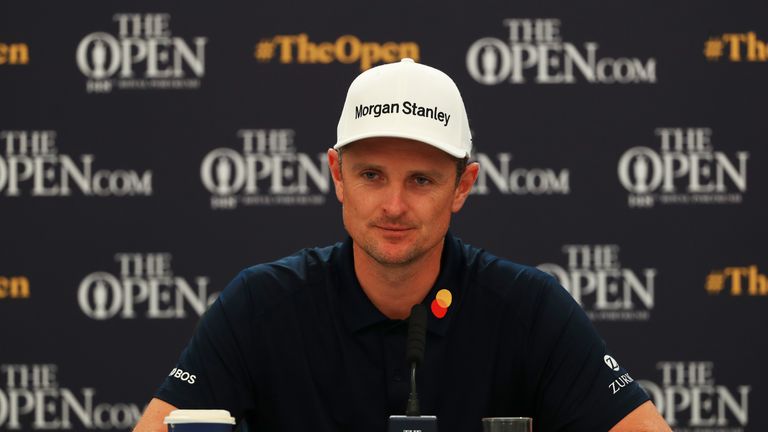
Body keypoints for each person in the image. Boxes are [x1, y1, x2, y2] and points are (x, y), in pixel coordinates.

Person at [133, 58, 671, 432]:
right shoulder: (260, 305)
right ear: (336, 175)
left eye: (421, 180)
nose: (393, 205)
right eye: (371, 175)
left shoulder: (529, 308)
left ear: (463, 187)